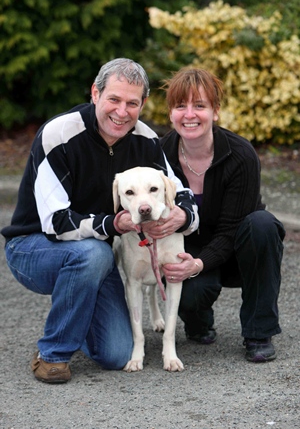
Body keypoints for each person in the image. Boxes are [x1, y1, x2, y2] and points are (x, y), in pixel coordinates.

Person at [1, 58, 199, 383]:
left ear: (143, 104)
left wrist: (183, 215)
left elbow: (180, 191)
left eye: (132, 103)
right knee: (94, 253)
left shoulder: (146, 140)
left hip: (95, 257)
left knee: (117, 354)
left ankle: (77, 309)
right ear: (95, 93)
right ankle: (53, 353)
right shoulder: (58, 134)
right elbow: (56, 223)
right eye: (114, 99)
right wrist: (113, 225)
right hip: (33, 247)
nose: (122, 112)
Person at [159, 67, 285, 362]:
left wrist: (199, 264)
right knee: (191, 298)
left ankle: (259, 331)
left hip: (240, 251)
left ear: (215, 111)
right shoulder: (159, 153)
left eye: (199, 105)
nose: (189, 114)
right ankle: (198, 321)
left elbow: (231, 229)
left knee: (263, 224)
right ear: (170, 113)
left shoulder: (240, 154)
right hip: (187, 252)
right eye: (181, 106)